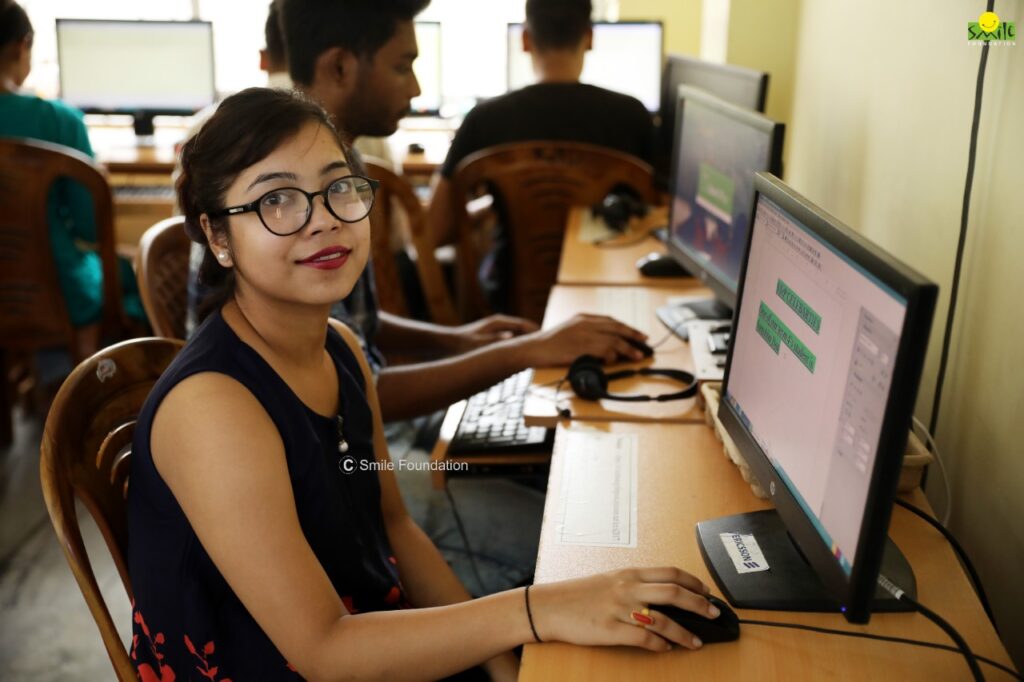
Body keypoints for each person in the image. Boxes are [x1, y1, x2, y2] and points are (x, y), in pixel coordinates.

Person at [127, 86, 720, 681]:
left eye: (338, 187)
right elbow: (325, 651)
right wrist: (533, 612)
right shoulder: (213, 408)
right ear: (219, 237)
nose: (325, 219)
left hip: (372, 640)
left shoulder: (341, 348)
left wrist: (501, 667)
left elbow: (397, 529)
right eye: (276, 200)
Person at [187, 0, 649, 424]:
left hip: (362, 440)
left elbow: (354, 326)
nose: (416, 87)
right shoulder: (253, 185)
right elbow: (360, 394)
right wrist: (525, 352)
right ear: (341, 66)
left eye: (340, 189)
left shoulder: (344, 169)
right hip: (347, 447)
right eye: (402, 65)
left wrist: (457, 339)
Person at [427, 0, 657, 309]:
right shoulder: (632, 116)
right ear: (590, 37)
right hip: (608, 293)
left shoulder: (484, 119)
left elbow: (435, 231)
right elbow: (661, 219)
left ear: (525, 39)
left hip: (509, 303)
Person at [0, 0, 146, 354]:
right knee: (135, 271)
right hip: (56, 290)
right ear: (22, 46)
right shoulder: (60, 121)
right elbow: (89, 229)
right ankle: (93, 377)